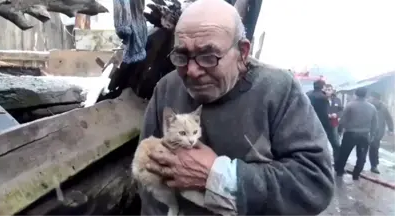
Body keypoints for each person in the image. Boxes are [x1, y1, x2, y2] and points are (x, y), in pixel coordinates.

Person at [138, 0, 334, 215]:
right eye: (182, 56)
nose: (192, 71)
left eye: (208, 56)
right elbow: (148, 184)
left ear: (242, 52)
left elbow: (315, 184)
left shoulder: (278, 89)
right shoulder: (167, 88)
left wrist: (219, 177)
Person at [335, 87, 378, 180]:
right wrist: (372, 135)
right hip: (364, 135)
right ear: (366, 95)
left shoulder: (350, 105)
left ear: (356, 94)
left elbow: (343, 120)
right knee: (361, 156)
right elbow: (374, 123)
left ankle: (339, 171)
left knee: (344, 153)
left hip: (350, 134)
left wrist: (339, 130)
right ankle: (356, 174)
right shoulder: (372, 107)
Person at [307, 80, 339, 164]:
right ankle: (335, 162)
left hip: (309, 123)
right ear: (323, 87)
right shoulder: (323, 97)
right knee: (333, 143)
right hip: (323, 124)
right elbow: (323, 114)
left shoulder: (307, 95)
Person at [368, 91, 394, 174]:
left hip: (378, 132)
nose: (370, 99)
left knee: (374, 148)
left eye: (372, 98)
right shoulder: (368, 106)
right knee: (362, 148)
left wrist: (390, 129)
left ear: (377, 99)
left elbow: (389, 118)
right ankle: (360, 165)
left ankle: (374, 165)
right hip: (367, 130)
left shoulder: (384, 108)